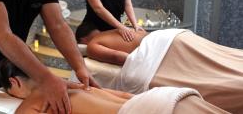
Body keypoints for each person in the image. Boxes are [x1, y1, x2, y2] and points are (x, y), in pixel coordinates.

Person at [77, 27, 243, 113]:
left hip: (165, 50)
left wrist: (137, 67)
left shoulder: (93, 44)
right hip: (174, 37)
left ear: (82, 40)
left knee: (213, 78)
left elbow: (118, 58)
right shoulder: (116, 31)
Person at [0, 59, 228, 114]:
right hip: (165, 98)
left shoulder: (32, 103)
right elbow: (127, 95)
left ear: (14, 82)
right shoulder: (77, 86)